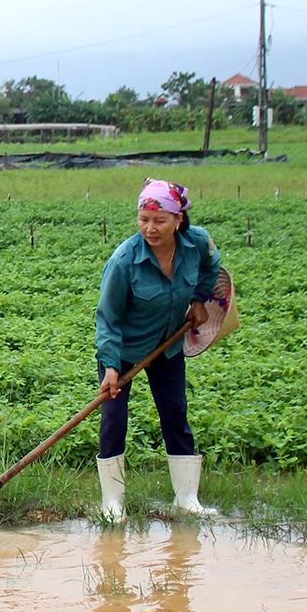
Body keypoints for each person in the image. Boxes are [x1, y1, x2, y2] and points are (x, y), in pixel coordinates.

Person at [93, 179, 219, 522]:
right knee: (115, 419)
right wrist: (111, 367)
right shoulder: (124, 261)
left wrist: (199, 299)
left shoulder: (196, 244)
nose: (150, 228)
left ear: (179, 219)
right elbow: (107, 317)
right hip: (124, 349)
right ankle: (112, 502)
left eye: (160, 220)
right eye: (143, 219)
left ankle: (187, 498)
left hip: (168, 344)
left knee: (176, 413)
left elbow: (212, 267)